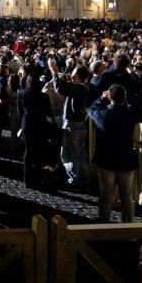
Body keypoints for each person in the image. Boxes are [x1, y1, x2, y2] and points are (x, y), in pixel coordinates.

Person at [89, 84, 139, 223]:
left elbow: (92, 110)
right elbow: (136, 109)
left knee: (106, 195)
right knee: (126, 196)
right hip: (126, 158)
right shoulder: (130, 114)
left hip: (107, 158)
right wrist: (128, 99)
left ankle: (103, 224)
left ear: (109, 96)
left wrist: (101, 98)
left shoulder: (103, 114)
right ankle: (128, 227)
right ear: (125, 97)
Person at [46, 59, 90, 188]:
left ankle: (73, 180)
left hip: (72, 125)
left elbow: (59, 88)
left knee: (69, 154)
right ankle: (83, 178)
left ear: (77, 75)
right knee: (79, 154)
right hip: (79, 124)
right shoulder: (82, 88)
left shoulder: (79, 89)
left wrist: (54, 72)